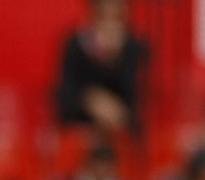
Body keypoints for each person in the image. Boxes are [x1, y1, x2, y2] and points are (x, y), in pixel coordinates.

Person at [55, 0, 147, 134]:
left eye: (116, 18)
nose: (110, 26)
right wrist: (90, 100)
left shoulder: (134, 49)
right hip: (81, 133)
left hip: (122, 136)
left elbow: (137, 100)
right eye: (104, 17)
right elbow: (64, 97)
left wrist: (116, 59)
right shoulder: (75, 46)